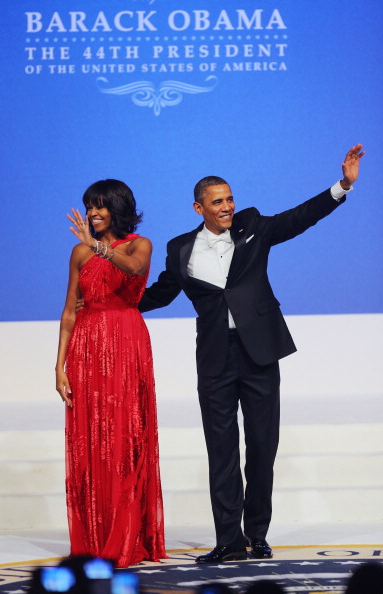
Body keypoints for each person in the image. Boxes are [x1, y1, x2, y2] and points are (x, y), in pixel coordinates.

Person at [138, 144, 365, 563]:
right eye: (217, 202)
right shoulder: (179, 248)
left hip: (259, 352)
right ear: (198, 207)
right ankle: (229, 540)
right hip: (214, 357)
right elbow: (162, 293)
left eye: (229, 199)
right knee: (220, 449)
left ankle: (256, 534)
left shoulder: (255, 227)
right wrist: (117, 306)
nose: (227, 207)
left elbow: (298, 219)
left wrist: (342, 186)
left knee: (262, 446)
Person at [55, 179, 166, 568]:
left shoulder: (140, 245)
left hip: (126, 345)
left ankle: (128, 534)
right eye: (89, 207)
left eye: (100, 207)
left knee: (124, 437)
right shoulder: (80, 252)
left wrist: (100, 246)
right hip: (86, 349)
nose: (92, 214)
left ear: (118, 208)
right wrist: (59, 366)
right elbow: (70, 310)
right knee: (90, 441)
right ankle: (94, 537)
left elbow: (134, 269)